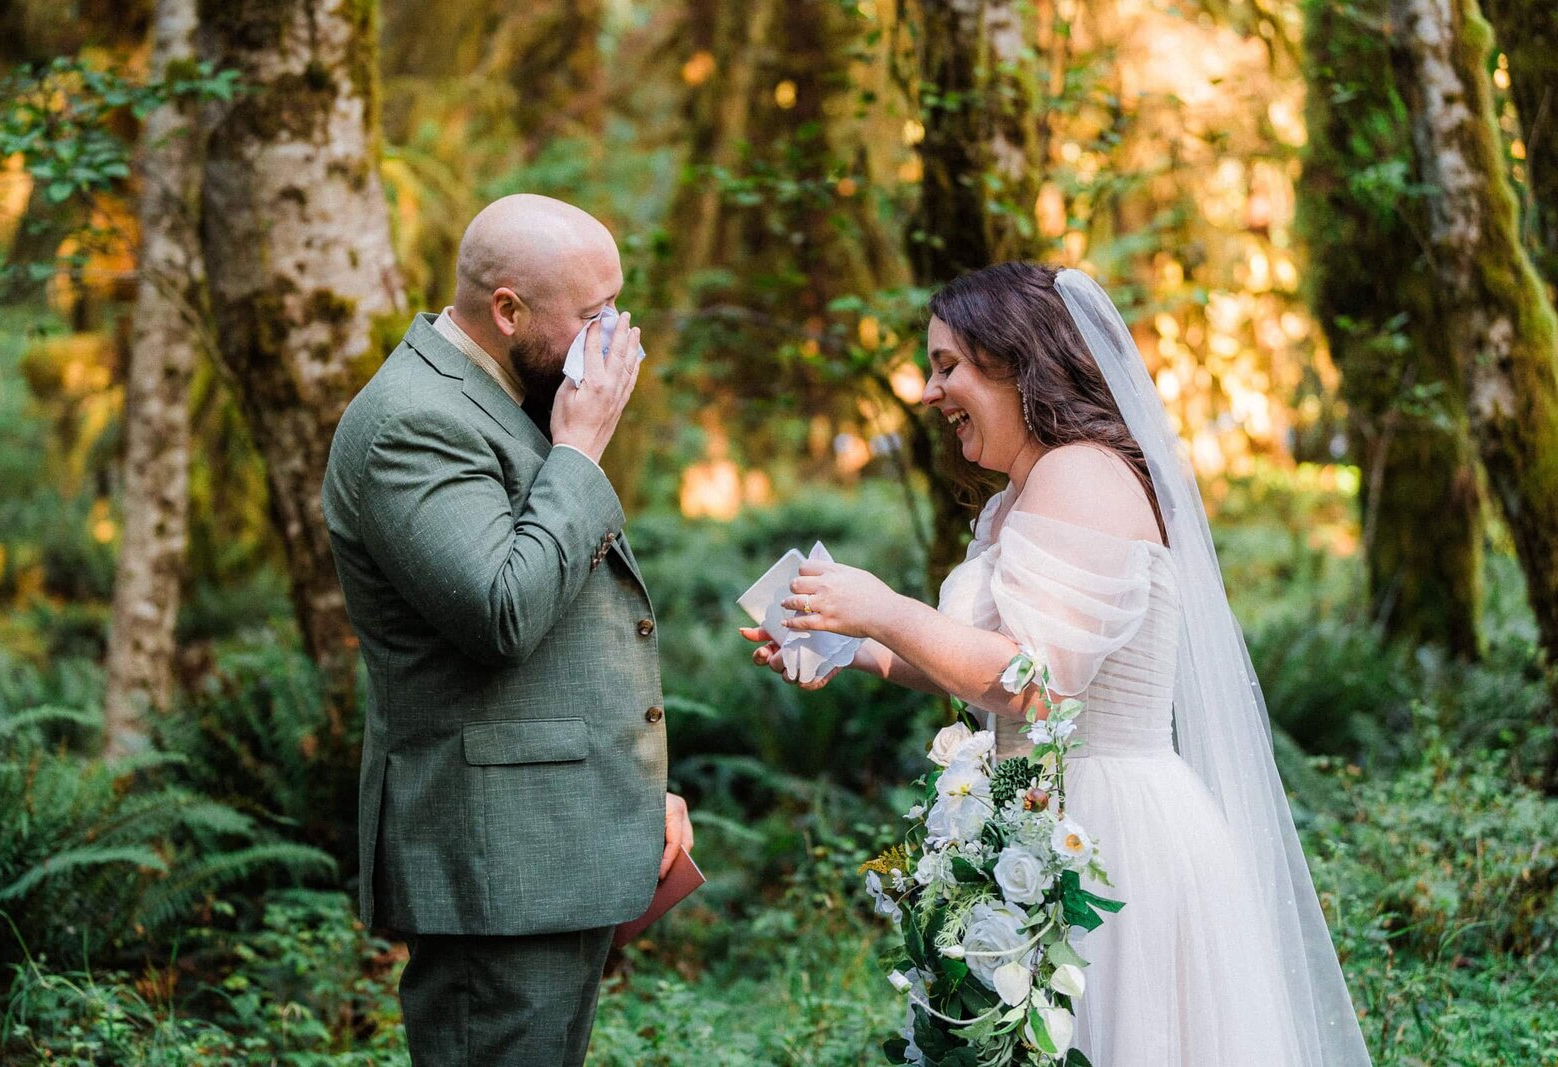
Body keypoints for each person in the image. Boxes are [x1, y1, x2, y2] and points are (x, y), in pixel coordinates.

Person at [742, 262, 1371, 1065]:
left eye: (948, 366)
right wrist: (852, 645)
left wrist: (885, 607)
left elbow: (1037, 687)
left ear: (1017, 360)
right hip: (1037, 817)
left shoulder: (1081, 474)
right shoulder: (1019, 496)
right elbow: (984, 671)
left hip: (1110, 832)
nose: (930, 394)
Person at [323, 194, 693, 1066]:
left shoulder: (512, 393)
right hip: (495, 864)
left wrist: (635, 796)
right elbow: (501, 611)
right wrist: (579, 451)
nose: (618, 342)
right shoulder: (411, 422)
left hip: (554, 843)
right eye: (596, 316)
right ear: (508, 311)